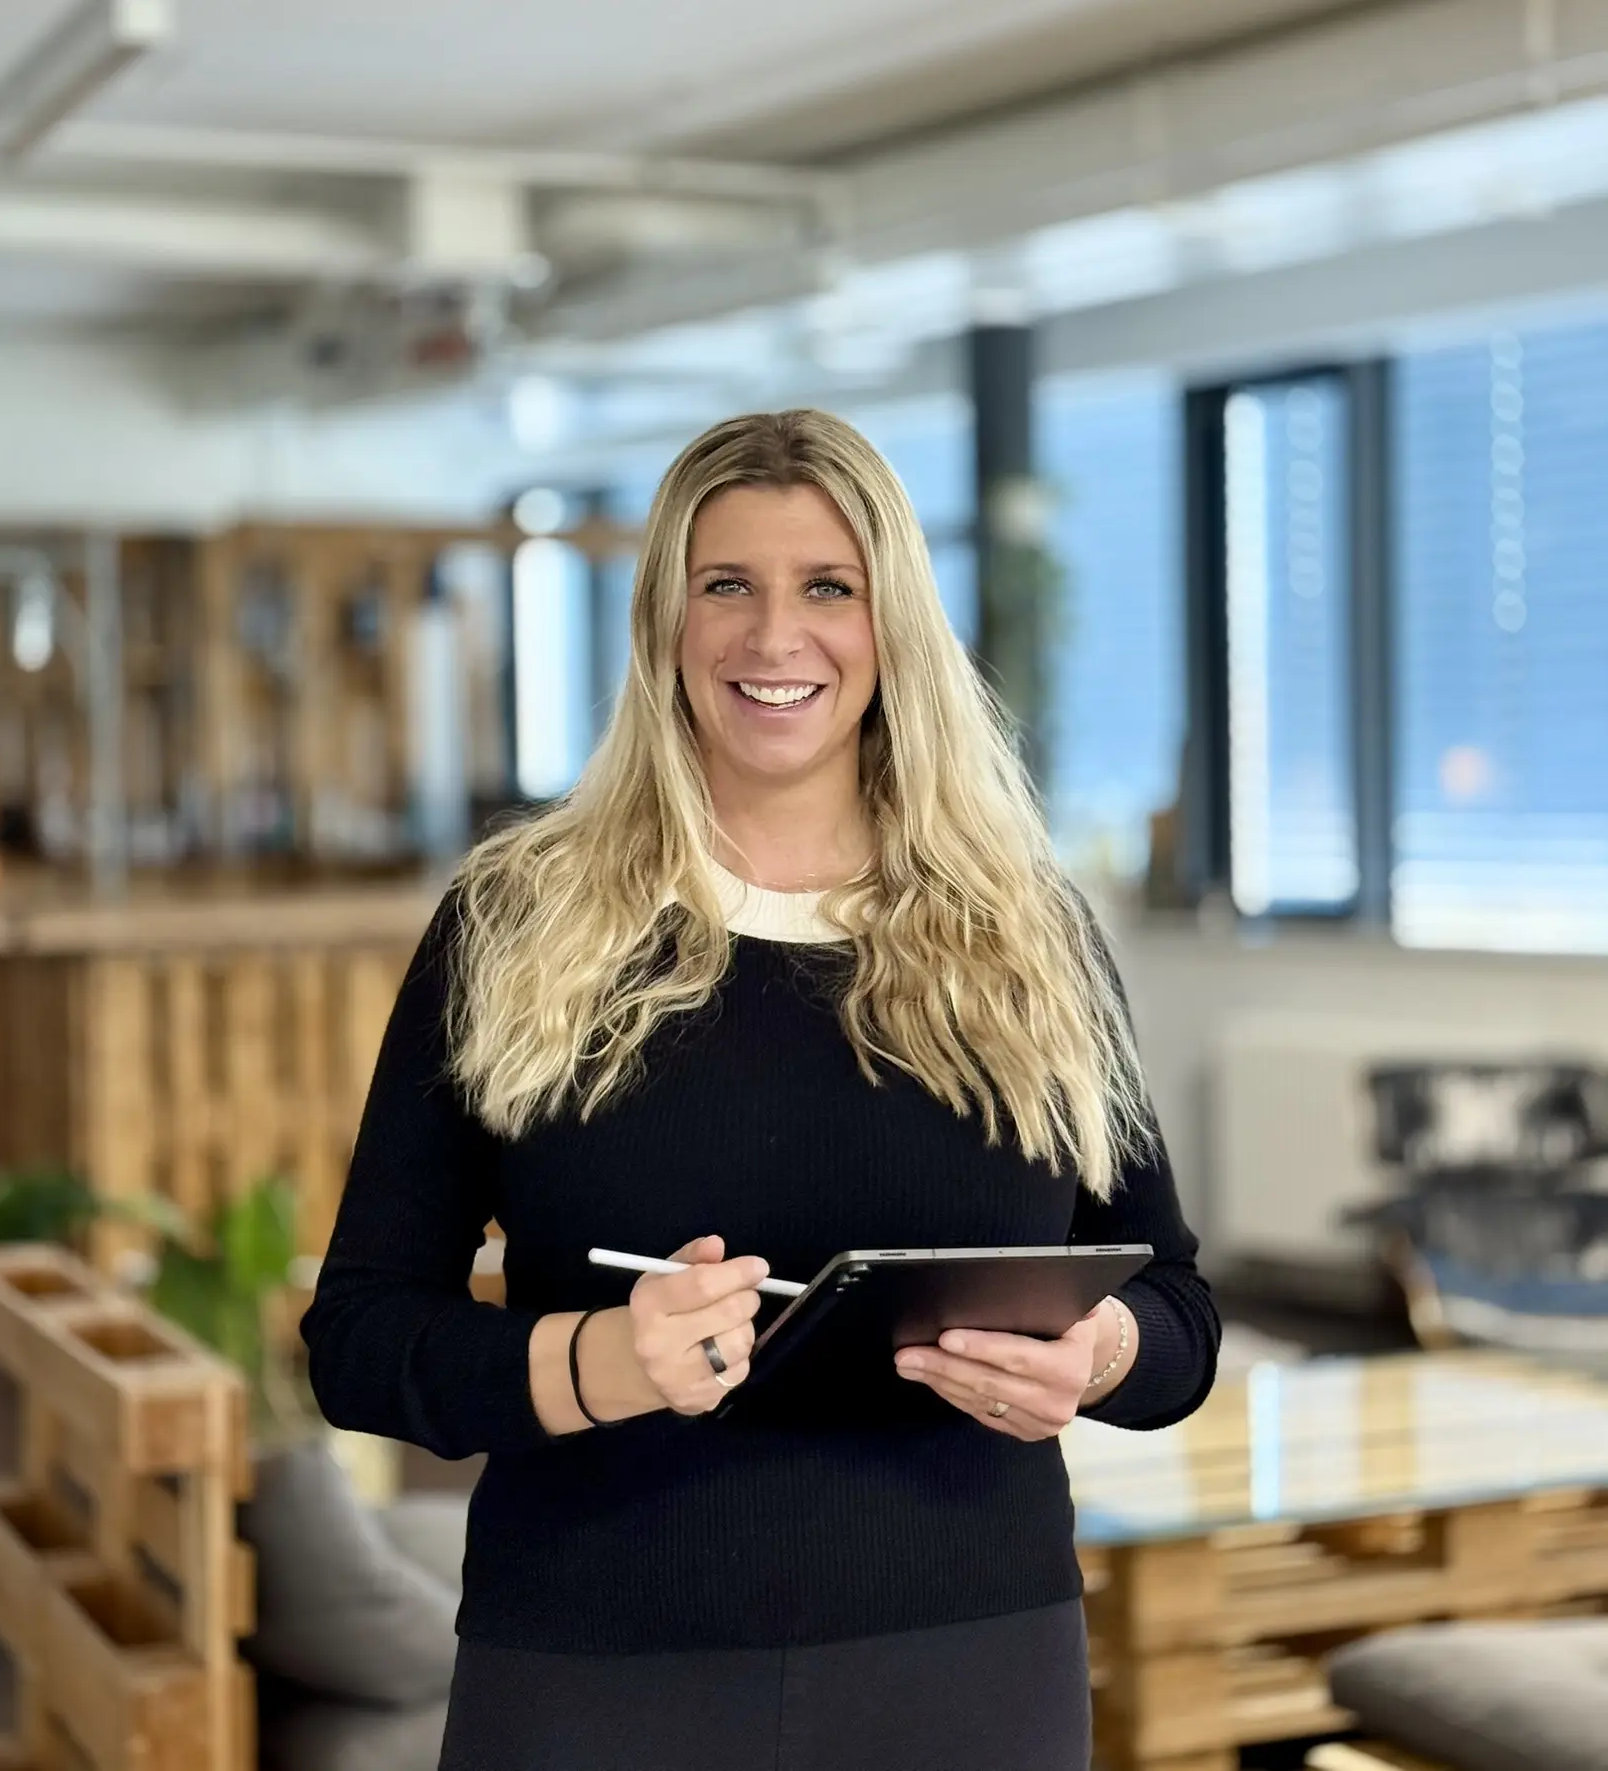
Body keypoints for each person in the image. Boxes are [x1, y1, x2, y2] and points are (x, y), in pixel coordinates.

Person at [302, 409, 1221, 1771]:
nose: (774, 637)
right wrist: (597, 1365)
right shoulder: (512, 924)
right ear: (664, 622)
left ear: (892, 625)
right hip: (591, 1668)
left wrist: (1099, 1356)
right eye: (726, 584)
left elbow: (1178, 1311)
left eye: (828, 588)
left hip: (970, 1667)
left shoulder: (1032, 938)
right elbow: (360, 1339)